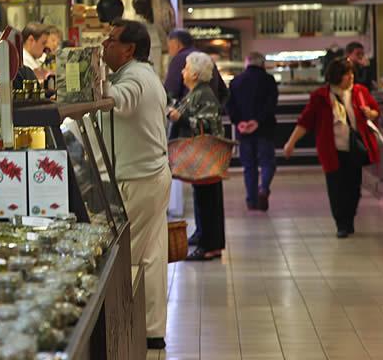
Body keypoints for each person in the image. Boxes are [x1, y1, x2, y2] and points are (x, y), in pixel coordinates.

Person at [101, 19, 171, 351]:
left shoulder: (135, 78)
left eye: (111, 40)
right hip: (148, 174)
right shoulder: (143, 74)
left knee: (128, 255)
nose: (104, 44)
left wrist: (89, 78)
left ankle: (127, 327)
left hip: (139, 179)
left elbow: (119, 100)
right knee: (151, 255)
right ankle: (152, 329)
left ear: (129, 49)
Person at [284, 57, 380, 238]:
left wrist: (370, 113)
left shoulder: (360, 92)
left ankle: (349, 219)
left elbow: (375, 112)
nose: (350, 77)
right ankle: (341, 224)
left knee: (354, 188)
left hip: (354, 148)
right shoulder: (321, 97)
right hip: (332, 149)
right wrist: (291, 142)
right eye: (346, 74)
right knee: (336, 188)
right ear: (336, 76)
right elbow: (305, 121)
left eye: (352, 73)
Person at [168, 51, 226, 261]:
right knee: (202, 199)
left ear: (195, 73)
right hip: (201, 158)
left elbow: (207, 126)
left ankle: (210, 246)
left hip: (206, 157)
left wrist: (180, 118)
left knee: (209, 201)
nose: (182, 71)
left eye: (186, 67)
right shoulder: (195, 92)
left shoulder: (204, 94)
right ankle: (204, 237)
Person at [226, 52, 279, 211]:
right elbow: (271, 105)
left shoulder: (236, 81)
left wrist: (239, 122)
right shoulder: (269, 80)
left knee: (249, 166)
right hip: (265, 129)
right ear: (262, 64)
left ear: (246, 63)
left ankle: (251, 200)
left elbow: (229, 105)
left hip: (244, 132)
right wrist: (257, 121)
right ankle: (263, 189)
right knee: (267, 162)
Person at [164, 29, 228, 107]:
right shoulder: (206, 58)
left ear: (177, 44)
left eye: (169, 47)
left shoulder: (178, 59)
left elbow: (170, 92)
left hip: (187, 114)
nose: (169, 51)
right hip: (211, 112)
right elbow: (223, 92)